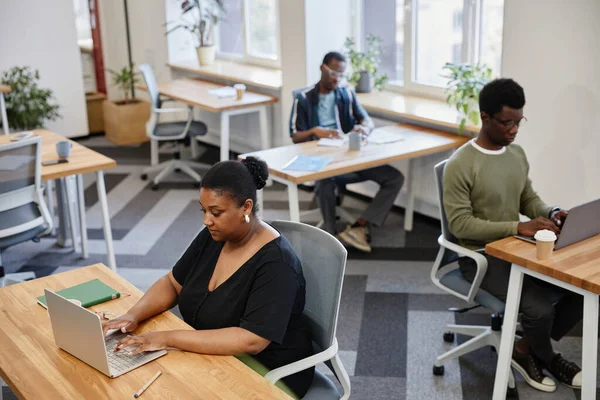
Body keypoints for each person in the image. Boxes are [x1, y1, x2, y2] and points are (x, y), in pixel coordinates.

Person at [102, 157, 314, 398]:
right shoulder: (216, 235)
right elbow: (172, 283)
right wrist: (132, 315)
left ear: (245, 207)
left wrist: (166, 339)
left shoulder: (277, 263)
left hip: (266, 372)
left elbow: (251, 341)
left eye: (216, 212)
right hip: (210, 355)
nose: (206, 220)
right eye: (204, 211)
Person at [443, 78, 583, 392]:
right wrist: (518, 227)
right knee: (540, 308)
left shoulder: (515, 155)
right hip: (480, 257)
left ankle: (524, 348)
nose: (514, 130)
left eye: (519, 122)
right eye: (508, 123)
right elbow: (461, 226)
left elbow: (527, 199)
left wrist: (551, 211)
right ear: (485, 117)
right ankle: (549, 357)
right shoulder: (461, 165)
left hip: (516, 248)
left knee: (576, 290)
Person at [289, 51, 404, 252]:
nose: (337, 78)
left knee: (394, 178)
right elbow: (294, 135)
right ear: (322, 68)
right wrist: (316, 131)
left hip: (349, 156)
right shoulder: (303, 98)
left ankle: (360, 225)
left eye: (341, 74)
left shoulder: (346, 93)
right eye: (333, 73)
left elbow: (366, 120)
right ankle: (332, 238)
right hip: (320, 159)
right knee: (325, 181)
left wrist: (363, 128)